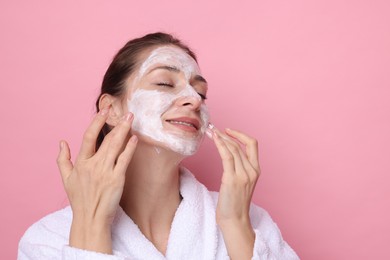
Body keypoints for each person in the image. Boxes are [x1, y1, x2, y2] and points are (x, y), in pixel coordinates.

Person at [18, 32, 299, 260]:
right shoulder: (48, 240)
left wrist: (237, 227)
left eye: (200, 92)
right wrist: (90, 231)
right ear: (111, 110)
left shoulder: (249, 221)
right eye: (165, 83)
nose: (195, 99)